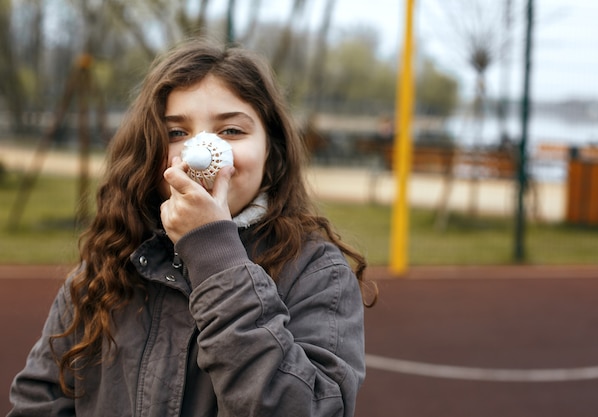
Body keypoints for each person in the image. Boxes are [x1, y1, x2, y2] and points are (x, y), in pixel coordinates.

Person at [7, 38, 376, 417]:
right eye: (177, 133)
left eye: (232, 131)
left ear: (272, 149)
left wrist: (214, 256)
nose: (201, 152)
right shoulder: (110, 263)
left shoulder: (317, 273)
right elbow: (39, 402)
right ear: (148, 151)